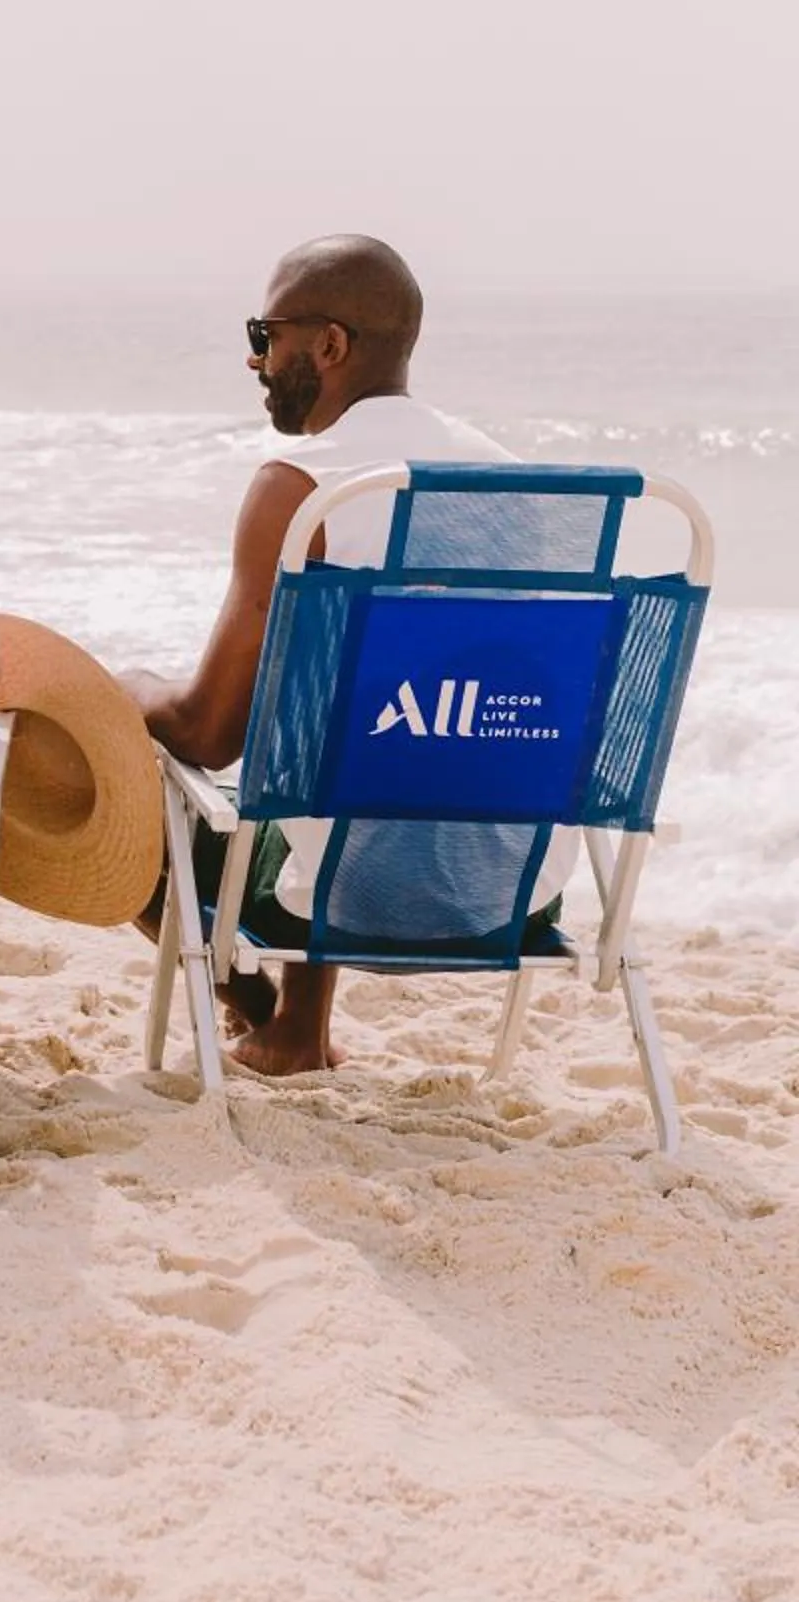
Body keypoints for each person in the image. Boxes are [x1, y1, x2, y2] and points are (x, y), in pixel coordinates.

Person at [125, 233, 576, 1078]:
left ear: (328, 345)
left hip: (338, 900)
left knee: (138, 790)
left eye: (266, 335)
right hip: (512, 893)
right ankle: (297, 1028)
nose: (253, 360)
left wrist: (121, 691)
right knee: (378, 735)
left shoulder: (305, 487)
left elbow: (208, 733)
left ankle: (268, 1015)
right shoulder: (519, 486)